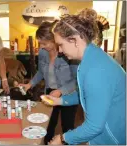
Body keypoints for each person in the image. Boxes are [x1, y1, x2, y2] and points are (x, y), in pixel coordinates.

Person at [48, 14, 126, 145]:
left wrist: (63, 139)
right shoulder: (93, 56)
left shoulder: (95, 70)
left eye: (61, 45)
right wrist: (61, 100)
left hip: (112, 139)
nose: (59, 51)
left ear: (75, 40)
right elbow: (86, 95)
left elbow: (94, 127)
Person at [19, 21, 78, 145]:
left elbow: (76, 80)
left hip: (68, 94)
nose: (41, 46)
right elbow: (41, 72)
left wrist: (61, 91)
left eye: (44, 43)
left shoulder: (68, 54)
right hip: (49, 93)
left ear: (54, 40)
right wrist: (29, 84)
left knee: (68, 126)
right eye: (40, 43)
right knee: (48, 125)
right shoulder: (43, 53)